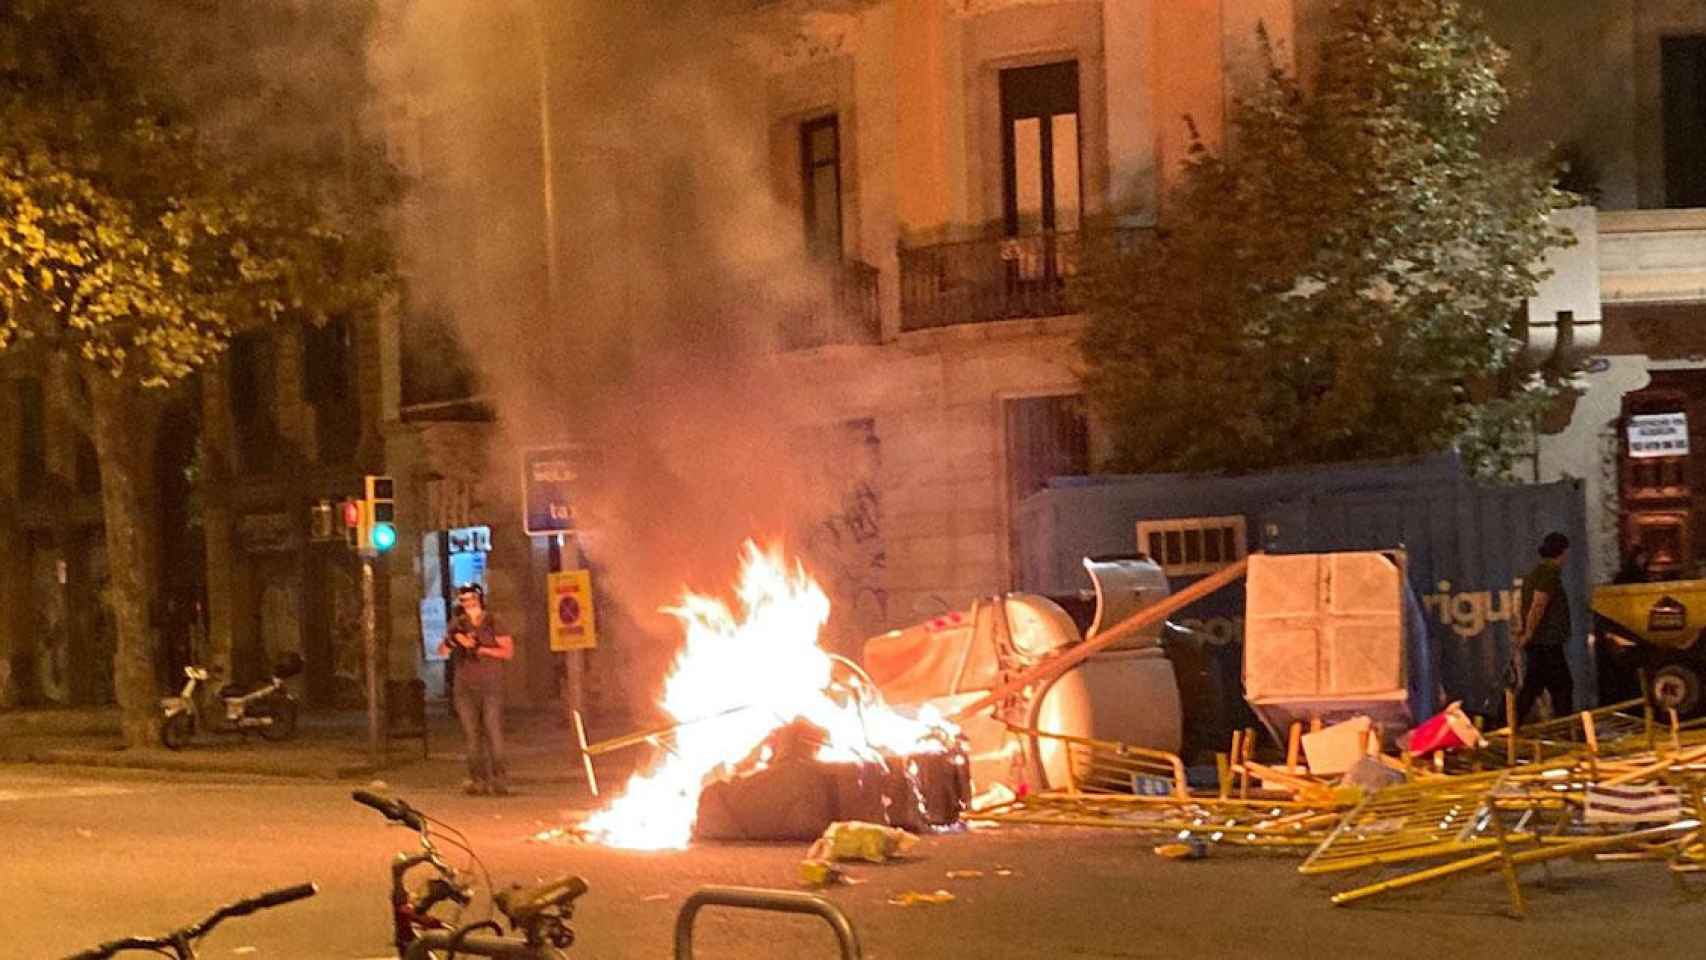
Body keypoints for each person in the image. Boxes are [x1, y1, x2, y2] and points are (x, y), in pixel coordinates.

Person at [437, 582, 514, 795]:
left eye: (471, 598)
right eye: (463, 600)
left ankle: (499, 780)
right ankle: (477, 780)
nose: (468, 603)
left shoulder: (493, 621)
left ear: (479, 598)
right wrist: (454, 641)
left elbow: (507, 652)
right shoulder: (458, 624)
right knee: (471, 736)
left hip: (490, 685)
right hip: (464, 687)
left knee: (493, 731)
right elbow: (442, 651)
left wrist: (481, 648)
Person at [1513, 531, 1575, 725]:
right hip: (1547, 641)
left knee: (1534, 687)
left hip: (1541, 642)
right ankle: (1566, 728)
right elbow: (1539, 604)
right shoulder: (1549, 573)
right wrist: (1529, 632)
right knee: (1563, 687)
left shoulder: (1536, 572)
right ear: (1562, 552)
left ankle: (1508, 723)